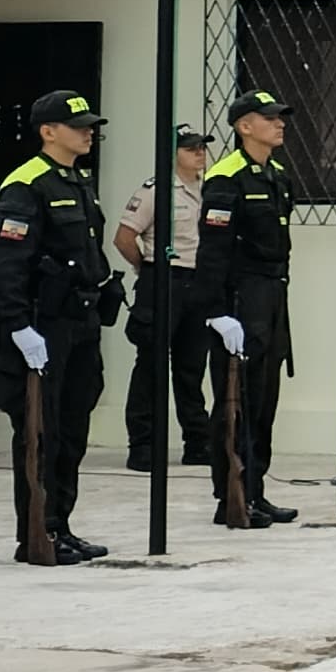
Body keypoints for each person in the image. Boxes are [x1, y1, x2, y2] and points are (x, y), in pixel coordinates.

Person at [0, 89, 122, 566]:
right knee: (42, 434)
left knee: (73, 429)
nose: (88, 133)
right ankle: (37, 532)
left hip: (80, 322)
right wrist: (19, 325)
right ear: (48, 132)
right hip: (44, 326)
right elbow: (4, 266)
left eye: (90, 127)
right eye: (78, 126)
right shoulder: (27, 185)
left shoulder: (77, 180)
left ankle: (61, 525)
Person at [192, 90, 300, 526]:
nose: (280, 124)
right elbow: (212, 252)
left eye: (280, 118)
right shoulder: (226, 177)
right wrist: (217, 311)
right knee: (236, 402)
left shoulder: (277, 175)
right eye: (269, 118)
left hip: (272, 295)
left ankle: (255, 489)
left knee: (264, 401)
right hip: (240, 298)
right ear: (244, 126)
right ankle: (231, 494)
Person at [113, 123, 215, 476]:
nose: (199, 153)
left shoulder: (210, 189)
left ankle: (197, 442)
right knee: (151, 365)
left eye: (202, 146)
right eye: (190, 148)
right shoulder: (156, 190)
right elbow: (124, 238)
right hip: (163, 279)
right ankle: (142, 445)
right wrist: (147, 269)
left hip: (198, 282)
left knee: (192, 366)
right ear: (171, 154)